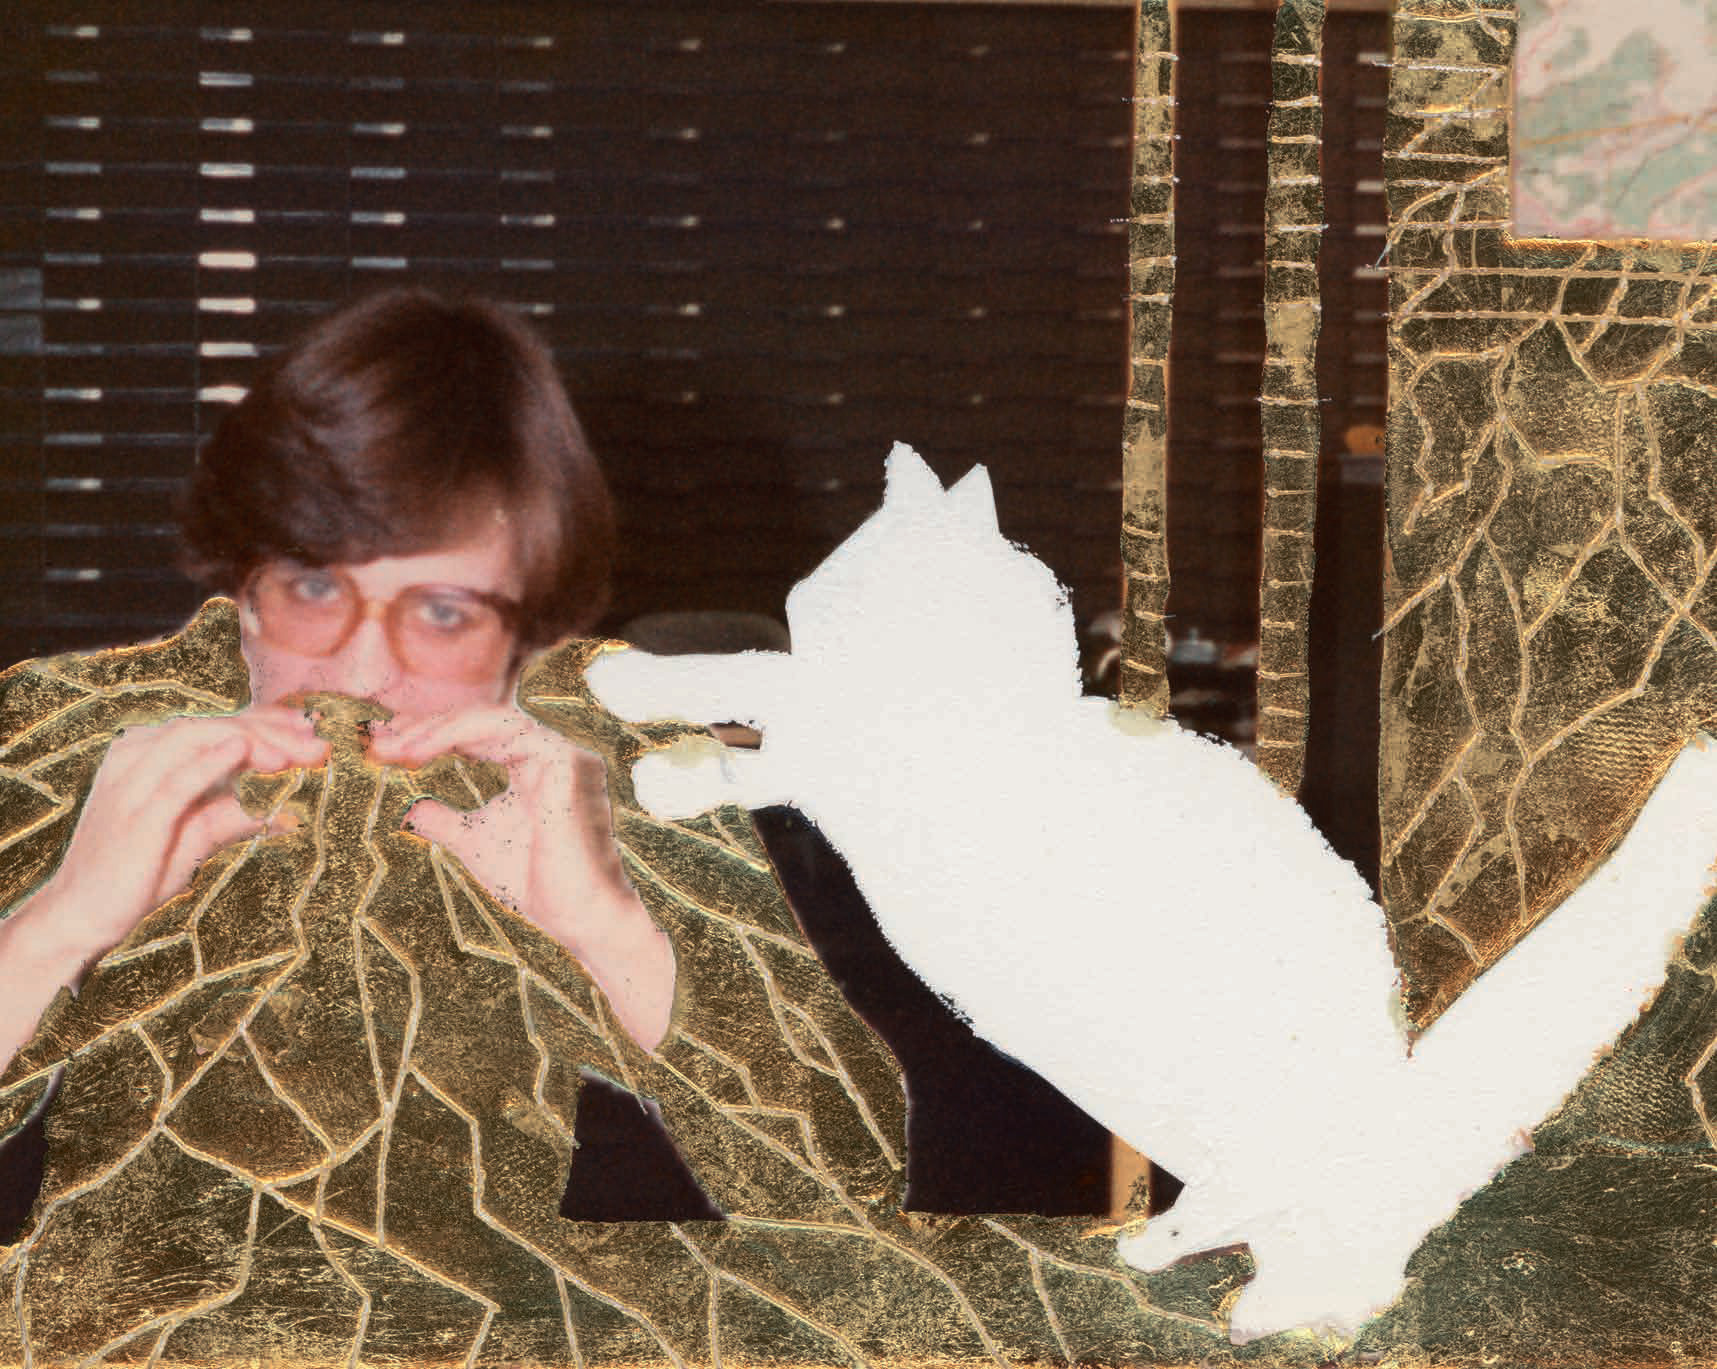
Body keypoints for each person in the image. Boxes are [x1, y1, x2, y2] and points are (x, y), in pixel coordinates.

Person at [0, 288, 676, 1068]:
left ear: (530, 638)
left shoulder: (655, 791)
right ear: (243, 586)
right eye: (316, 588)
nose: (359, 677)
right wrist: (58, 929)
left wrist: (607, 936)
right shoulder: (48, 743)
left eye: (443, 613)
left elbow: (790, 1138)